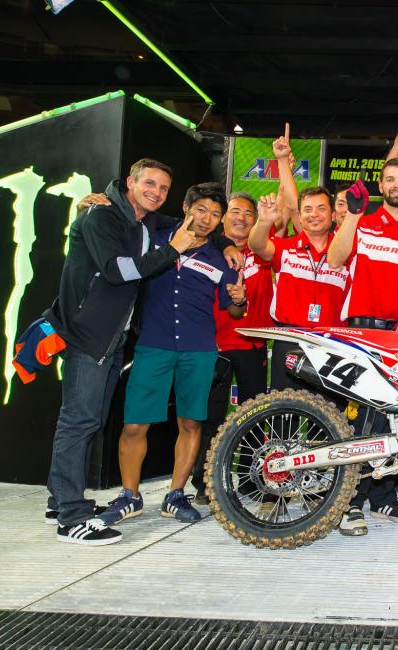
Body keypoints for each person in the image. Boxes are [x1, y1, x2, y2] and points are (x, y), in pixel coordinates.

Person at [42, 159, 198, 545]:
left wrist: (224, 244)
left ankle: (58, 500)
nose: (156, 192)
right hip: (89, 335)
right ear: (130, 182)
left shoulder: (144, 219)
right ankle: (71, 518)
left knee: (88, 421)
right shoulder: (102, 216)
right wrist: (174, 251)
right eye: (149, 184)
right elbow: (119, 271)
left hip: (112, 338)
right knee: (79, 421)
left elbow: (198, 228)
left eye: (163, 188)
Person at [101, 182, 245, 527]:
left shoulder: (221, 257)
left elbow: (234, 312)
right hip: (153, 345)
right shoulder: (156, 235)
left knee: (192, 422)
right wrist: (101, 200)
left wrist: (238, 299)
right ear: (185, 207)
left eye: (215, 215)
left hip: (199, 349)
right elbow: (127, 213)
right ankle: (129, 495)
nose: (208, 219)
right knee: (135, 423)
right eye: (201, 210)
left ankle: (175, 494)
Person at [326, 157, 398, 535]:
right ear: (382, 185)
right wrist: (352, 213)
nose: (397, 184)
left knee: (397, 418)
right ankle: (349, 503)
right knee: (360, 420)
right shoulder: (362, 221)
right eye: (390, 179)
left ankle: (383, 497)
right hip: (362, 329)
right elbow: (335, 259)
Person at [191, 192, 273, 504]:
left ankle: (251, 480)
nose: (241, 218)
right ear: (223, 218)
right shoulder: (209, 249)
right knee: (211, 417)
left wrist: (283, 163)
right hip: (213, 345)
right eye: (234, 212)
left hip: (252, 344)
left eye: (248, 213)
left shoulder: (262, 249)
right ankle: (206, 484)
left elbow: (288, 208)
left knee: (254, 415)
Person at [249, 186, 349, 390]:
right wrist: (264, 221)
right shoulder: (285, 247)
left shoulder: (347, 252)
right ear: (300, 217)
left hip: (332, 343)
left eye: (321, 208)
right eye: (308, 209)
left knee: (330, 412)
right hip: (289, 339)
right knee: (285, 412)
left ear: (332, 214)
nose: (314, 214)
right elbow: (257, 246)